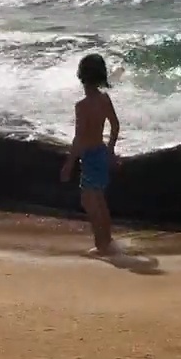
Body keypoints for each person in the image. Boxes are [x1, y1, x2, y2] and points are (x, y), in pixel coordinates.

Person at [60, 53, 122, 255]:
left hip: (89, 157)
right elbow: (115, 125)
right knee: (100, 200)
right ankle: (108, 240)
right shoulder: (104, 100)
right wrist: (111, 149)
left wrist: (69, 163)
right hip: (101, 153)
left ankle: (100, 244)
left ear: (81, 76)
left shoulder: (82, 106)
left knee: (89, 201)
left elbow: (79, 138)